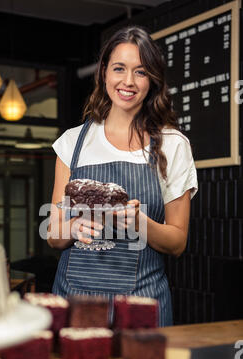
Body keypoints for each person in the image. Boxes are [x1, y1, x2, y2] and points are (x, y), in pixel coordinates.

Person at [47, 26, 198, 326]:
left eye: (140, 72)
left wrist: (140, 224)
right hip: (75, 301)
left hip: (142, 303)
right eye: (119, 69)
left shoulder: (173, 144)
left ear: (152, 80)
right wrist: (74, 226)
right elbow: (53, 234)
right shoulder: (72, 143)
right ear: (104, 72)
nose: (128, 81)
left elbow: (178, 241)